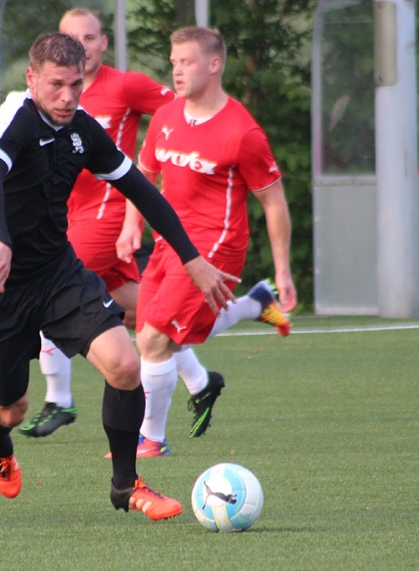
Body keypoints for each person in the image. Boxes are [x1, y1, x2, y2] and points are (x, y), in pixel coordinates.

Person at [0, 32, 237, 520]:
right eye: (56, 85)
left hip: (55, 272)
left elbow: (142, 191)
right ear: (32, 78)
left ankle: (126, 486)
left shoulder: (82, 130)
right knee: (11, 407)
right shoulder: (15, 118)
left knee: (125, 365)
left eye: (76, 85)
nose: (68, 97)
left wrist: (191, 258)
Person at [121, 27, 295, 458]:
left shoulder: (242, 132)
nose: (177, 71)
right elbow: (143, 177)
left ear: (215, 65)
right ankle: (254, 305)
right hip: (170, 242)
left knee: (156, 339)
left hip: (216, 248)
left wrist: (283, 269)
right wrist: (131, 226)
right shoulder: (165, 117)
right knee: (152, 335)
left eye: (188, 62)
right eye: (174, 62)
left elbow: (273, 202)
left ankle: (151, 440)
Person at [19, 7, 175, 439]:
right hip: (71, 214)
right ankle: (211, 360)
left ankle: (59, 399)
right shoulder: (52, 93)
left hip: (109, 215)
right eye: (72, 38)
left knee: (47, 290)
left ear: (103, 43)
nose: (81, 46)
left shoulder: (125, 85)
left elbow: (180, 114)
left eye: (89, 38)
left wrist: (151, 165)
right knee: (145, 310)